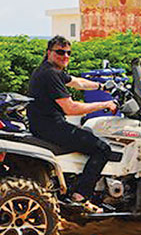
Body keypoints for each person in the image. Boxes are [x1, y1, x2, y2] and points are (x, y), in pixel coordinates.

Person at [26, 35, 116, 213]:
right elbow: (71, 108)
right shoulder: (50, 74)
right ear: (49, 53)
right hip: (51, 127)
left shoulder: (49, 70)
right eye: (60, 52)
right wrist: (104, 104)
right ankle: (81, 196)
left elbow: (77, 82)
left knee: (86, 134)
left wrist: (102, 87)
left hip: (42, 125)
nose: (65, 56)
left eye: (68, 52)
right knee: (102, 148)